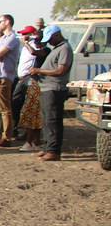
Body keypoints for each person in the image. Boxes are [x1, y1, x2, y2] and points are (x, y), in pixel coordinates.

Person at [29, 25, 74, 161]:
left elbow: (61, 70)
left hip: (55, 88)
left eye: (50, 39)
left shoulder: (65, 48)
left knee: (53, 120)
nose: (48, 42)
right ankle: (47, 147)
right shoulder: (57, 48)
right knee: (47, 120)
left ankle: (54, 151)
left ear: (57, 35)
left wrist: (39, 71)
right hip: (47, 88)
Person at [0, 14, 21, 147]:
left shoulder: (11, 38)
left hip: (3, 76)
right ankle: (2, 134)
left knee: (5, 108)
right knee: (0, 108)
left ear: (7, 22)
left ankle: (6, 137)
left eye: (0, 21)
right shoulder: (2, 39)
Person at [12, 25, 44, 151]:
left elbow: (34, 52)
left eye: (26, 34)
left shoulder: (38, 48)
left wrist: (27, 43)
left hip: (32, 81)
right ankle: (31, 140)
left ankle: (30, 141)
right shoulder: (26, 47)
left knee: (31, 112)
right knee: (22, 107)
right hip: (26, 79)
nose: (23, 36)